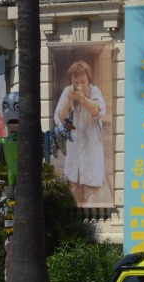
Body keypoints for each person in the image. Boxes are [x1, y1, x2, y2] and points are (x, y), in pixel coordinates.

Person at [54, 60, 109, 205]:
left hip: (91, 168)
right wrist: (68, 98)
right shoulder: (68, 91)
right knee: (73, 211)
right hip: (73, 168)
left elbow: (98, 110)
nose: (80, 85)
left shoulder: (94, 91)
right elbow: (60, 117)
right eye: (76, 82)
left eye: (83, 81)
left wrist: (82, 99)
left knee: (92, 213)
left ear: (88, 80)